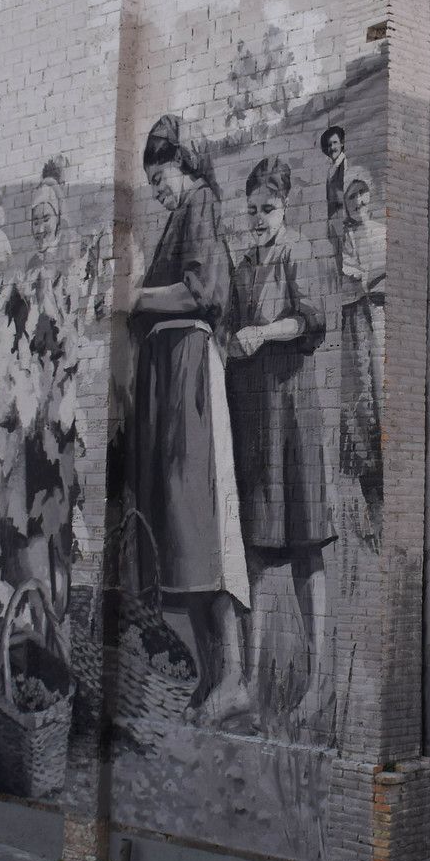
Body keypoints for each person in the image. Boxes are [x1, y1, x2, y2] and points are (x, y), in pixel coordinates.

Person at [128, 114, 251, 725]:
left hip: (191, 375)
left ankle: (233, 677)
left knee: (203, 524)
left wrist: (138, 297)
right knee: (182, 530)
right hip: (170, 376)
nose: (160, 190)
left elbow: (202, 292)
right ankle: (210, 677)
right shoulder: (182, 213)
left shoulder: (201, 202)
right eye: (153, 184)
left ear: (187, 164)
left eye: (162, 177)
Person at [226, 156, 333, 728]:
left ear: (284, 207)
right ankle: (248, 680)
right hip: (258, 419)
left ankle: (317, 681)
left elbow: (313, 322)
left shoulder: (298, 252)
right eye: (252, 211)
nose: (259, 219)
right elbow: (229, 329)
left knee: (306, 545)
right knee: (258, 550)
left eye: (267, 209)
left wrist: (263, 333)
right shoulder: (244, 266)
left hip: (296, 415)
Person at [336, 175, 386, 512]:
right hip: (358, 322)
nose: (358, 202)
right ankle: (372, 493)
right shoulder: (345, 239)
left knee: (384, 394)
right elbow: (353, 282)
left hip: (383, 317)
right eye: (351, 196)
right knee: (363, 399)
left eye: (362, 194)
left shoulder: (383, 232)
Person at [321, 125, 350, 220]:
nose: (332, 147)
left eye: (335, 142)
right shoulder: (331, 168)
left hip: (343, 213)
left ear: (341, 143)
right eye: (329, 145)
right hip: (333, 215)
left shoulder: (345, 163)